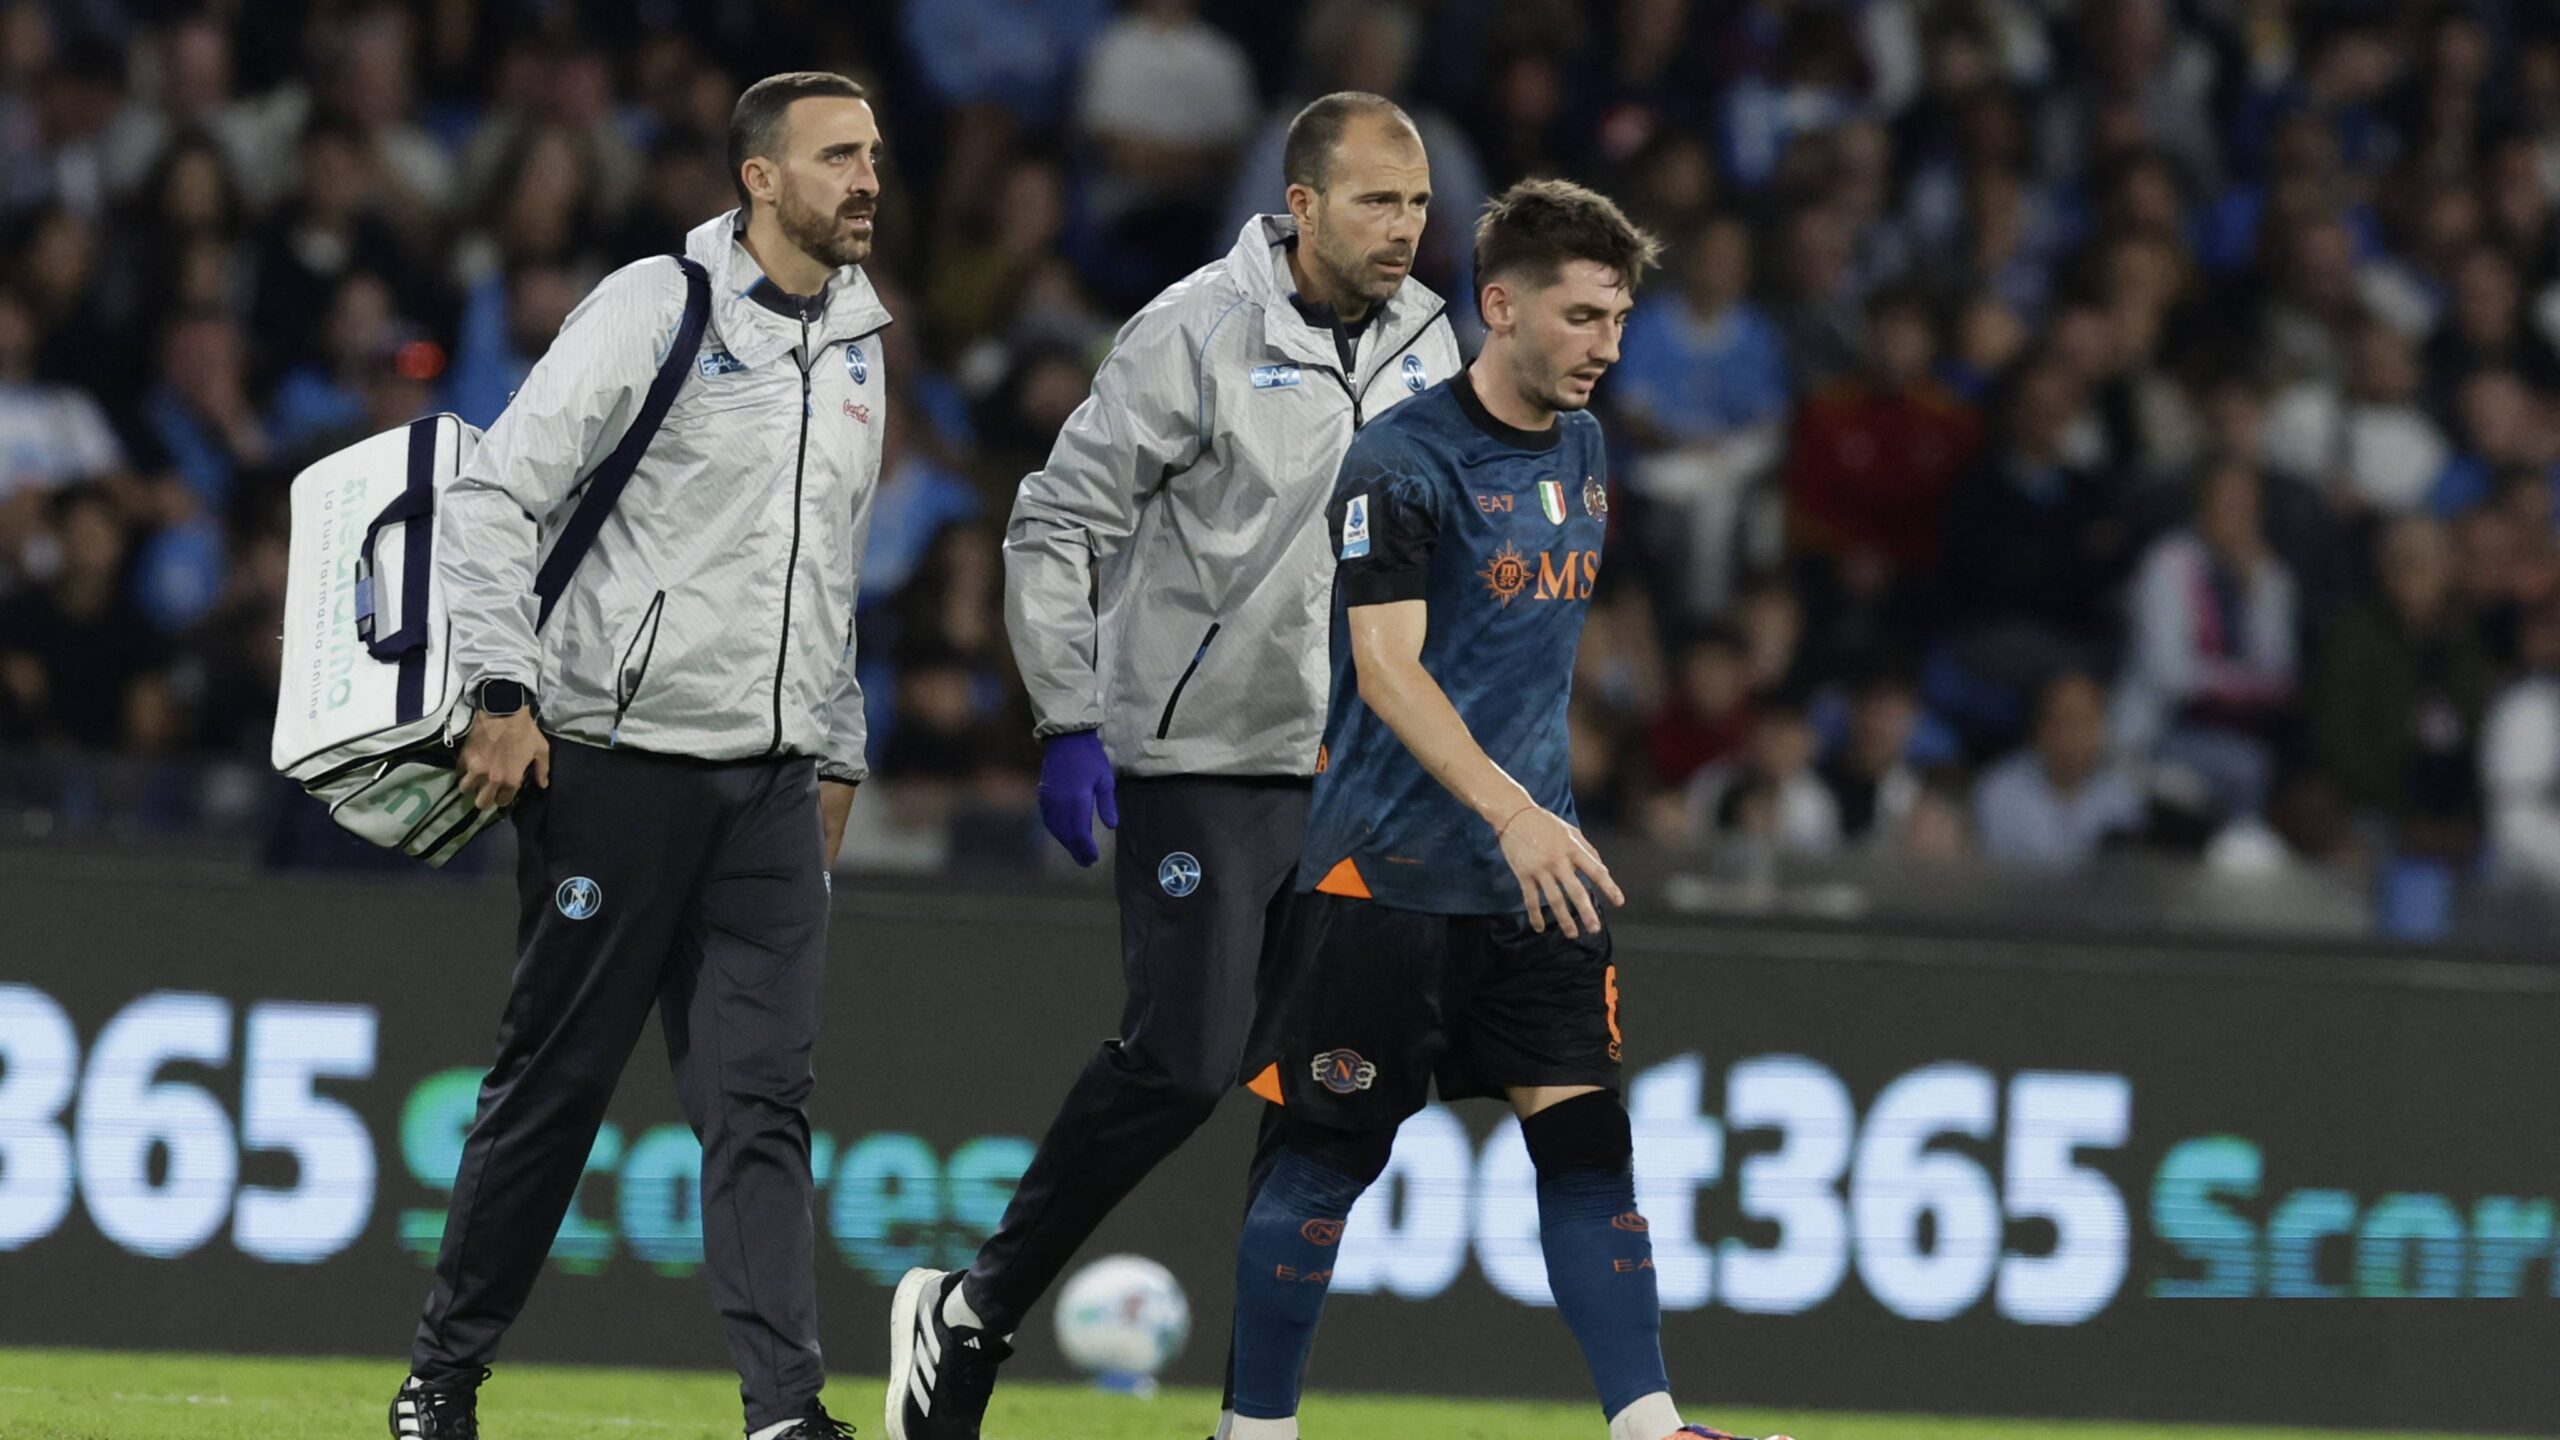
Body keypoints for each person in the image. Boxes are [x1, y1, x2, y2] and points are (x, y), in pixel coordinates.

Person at [888, 92, 1461, 1440]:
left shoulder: (1434, 343)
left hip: (1358, 769)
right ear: (1302, 205)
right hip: (1203, 755)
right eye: (1377, 201)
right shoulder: (1194, 330)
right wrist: (1066, 720)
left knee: (1325, 1095)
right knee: (1186, 1064)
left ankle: (1253, 1421)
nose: (1404, 228)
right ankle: (969, 1313)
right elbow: (1053, 524)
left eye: (1419, 203)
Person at [1228, 178, 1789, 1440]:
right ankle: (1252, 1431)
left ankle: (1648, 1427)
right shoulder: (1401, 462)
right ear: (1499, 306)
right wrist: (1513, 812)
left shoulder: (1584, 448)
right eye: (1582, 316)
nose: (1608, 346)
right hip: (1387, 877)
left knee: (1588, 1149)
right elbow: (1386, 669)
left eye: (1620, 319)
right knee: (1323, 1163)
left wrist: (1538, 821)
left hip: (1538, 882)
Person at [392, 72, 891, 1440]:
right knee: (555, 1089)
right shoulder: (654, 306)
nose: (866, 179)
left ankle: (785, 1411)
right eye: (836, 156)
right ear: (759, 177)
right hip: (614, 768)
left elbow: (829, 574)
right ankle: (443, 1376)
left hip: (770, 788)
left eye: (872, 154)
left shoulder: (860, 339)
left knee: (763, 1104)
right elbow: (494, 493)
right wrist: (502, 687)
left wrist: (836, 754)